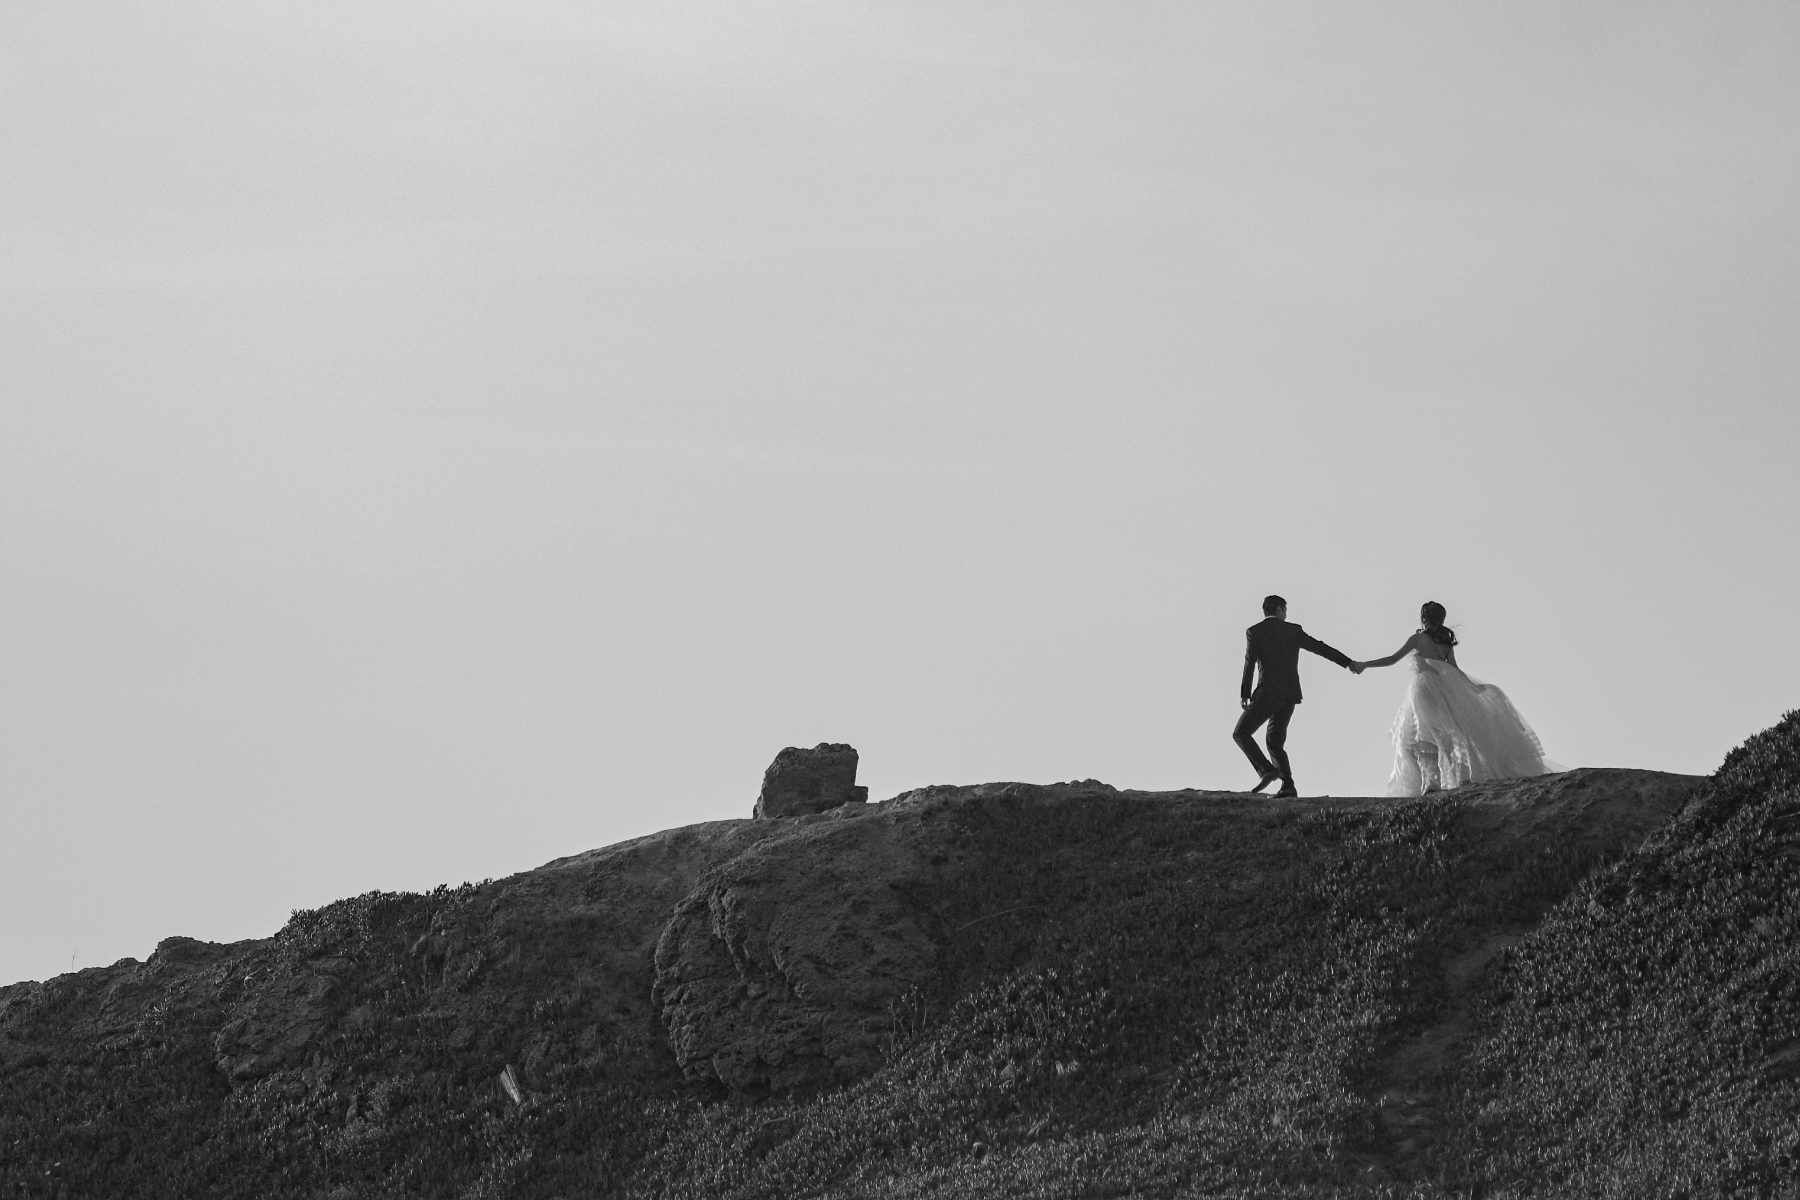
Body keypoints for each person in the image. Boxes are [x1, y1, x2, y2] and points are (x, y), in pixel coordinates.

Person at [1354, 601, 1563, 796]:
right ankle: (1460, 778)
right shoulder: (1445, 642)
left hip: (1423, 688)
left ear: (1423, 618)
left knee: (1423, 734)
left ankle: (1432, 783)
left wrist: (1364, 664)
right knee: (1448, 733)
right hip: (1444, 688)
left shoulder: (1417, 639)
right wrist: (1472, 688)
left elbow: (1392, 659)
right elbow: (1453, 669)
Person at [1235, 595, 1361, 798]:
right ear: (1279, 609)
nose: (1286, 614)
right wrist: (1347, 662)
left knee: (1241, 733)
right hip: (1289, 694)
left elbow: (1249, 663)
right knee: (1274, 742)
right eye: (1285, 610)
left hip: (1267, 693)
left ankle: (1268, 771)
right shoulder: (1293, 631)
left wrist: (1245, 693)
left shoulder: (1254, 632)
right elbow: (1320, 648)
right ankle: (1288, 786)